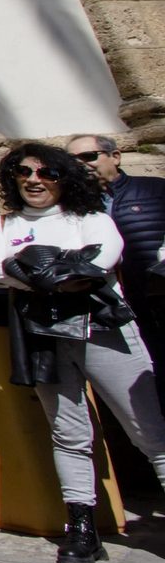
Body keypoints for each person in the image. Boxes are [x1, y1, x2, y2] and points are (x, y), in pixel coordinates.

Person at [0, 143, 165, 563]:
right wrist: (62, 270)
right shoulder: (2, 223)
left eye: (47, 173)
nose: (33, 180)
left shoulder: (92, 218)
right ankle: (82, 529)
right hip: (43, 335)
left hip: (101, 329)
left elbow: (99, 262)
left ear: (64, 178)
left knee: (147, 430)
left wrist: (28, 267)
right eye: (23, 172)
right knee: (69, 434)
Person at [67, 134, 165, 404]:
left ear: (115, 157)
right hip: (118, 312)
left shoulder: (155, 190)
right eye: (72, 161)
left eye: (89, 156)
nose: (81, 165)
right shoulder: (72, 209)